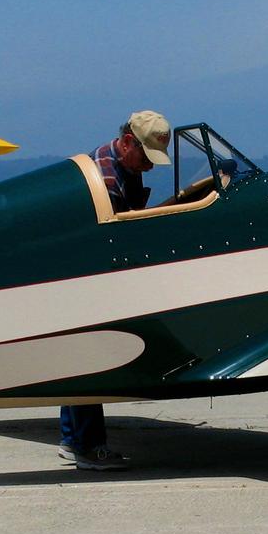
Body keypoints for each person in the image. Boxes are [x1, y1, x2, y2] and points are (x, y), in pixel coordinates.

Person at [58, 110, 172, 470]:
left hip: (79, 273)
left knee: (78, 354)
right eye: (145, 158)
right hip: (82, 275)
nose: (149, 168)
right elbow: (120, 233)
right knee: (91, 353)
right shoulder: (105, 178)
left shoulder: (124, 168)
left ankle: (71, 437)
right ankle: (89, 447)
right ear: (126, 143)